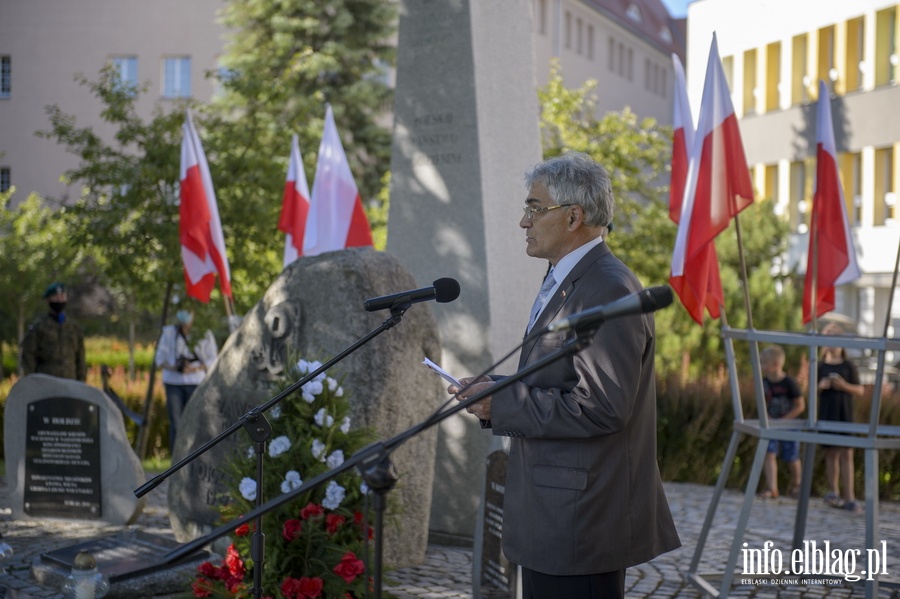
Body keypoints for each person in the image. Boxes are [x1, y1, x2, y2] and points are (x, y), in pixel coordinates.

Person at [448, 153, 680, 599]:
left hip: (581, 519)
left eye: (535, 208)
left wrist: (503, 405)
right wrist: (498, 389)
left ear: (574, 216)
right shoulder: (566, 277)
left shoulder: (607, 287)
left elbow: (600, 408)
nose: (523, 221)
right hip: (553, 511)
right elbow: (559, 378)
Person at [817, 323, 864, 513]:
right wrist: (822, 386)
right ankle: (833, 492)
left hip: (845, 414)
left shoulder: (848, 366)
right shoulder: (820, 366)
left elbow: (859, 390)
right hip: (828, 414)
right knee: (831, 453)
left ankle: (850, 497)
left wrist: (843, 385)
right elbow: (811, 391)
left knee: (847, 453)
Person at [156, 310, 216, 452]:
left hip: (195, 382)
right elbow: (159, 359)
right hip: (173, 382)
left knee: (195, 421)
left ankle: (195, 454)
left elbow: (212, 359)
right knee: (176, 422)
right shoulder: (169, 333)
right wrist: (175, 367)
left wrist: (194, 369)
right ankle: (177, 457)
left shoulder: (204, 333)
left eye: (189, 311)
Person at [758, 345, 805, 500]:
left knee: (791, 456)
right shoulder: (764, 383)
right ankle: (772, 488)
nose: (762, 366)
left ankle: (798, 485)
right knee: (769, 452)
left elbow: (800, 405)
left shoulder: (789, 383)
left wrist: (784, 421)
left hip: (789, 426)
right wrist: (767, 418)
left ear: (776, 364)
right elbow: (762, 402)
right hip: (772, 424)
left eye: (765, 363)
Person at [20, 282, 86, 381]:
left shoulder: (74, 328)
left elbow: (80, 358)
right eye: (56, 297)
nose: (59, 300)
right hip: (46, 383)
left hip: (71, 383)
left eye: (62, 296)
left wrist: (81, 382)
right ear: (48, 300)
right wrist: (32, 382)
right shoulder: (38, 328)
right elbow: (28, 357)